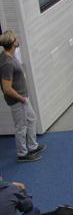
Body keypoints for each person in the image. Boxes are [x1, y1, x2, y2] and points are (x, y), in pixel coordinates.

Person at [0, 31, 44, 162]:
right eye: (16, 38)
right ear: (13, 43)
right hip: (17, 100)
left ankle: (32, 146)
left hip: (22, 98)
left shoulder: (9, 56)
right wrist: (21, 98)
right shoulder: (7, 63)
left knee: (31, 119)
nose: (18, 39)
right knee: (21, 127)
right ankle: (22, 154)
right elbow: (7, 89)